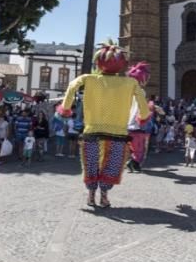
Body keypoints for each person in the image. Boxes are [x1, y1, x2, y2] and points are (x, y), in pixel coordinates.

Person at [58, 40, 149, 208]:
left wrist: (65, 108)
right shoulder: (130, 83)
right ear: (122, 64)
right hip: (118, 134)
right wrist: (143, 117)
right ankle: (104, 195)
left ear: (98, 61)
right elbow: (143, 103)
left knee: (91, 163)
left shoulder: (88, 79)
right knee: (112, 165)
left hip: (92, 130)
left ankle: (91, 195)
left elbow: (72, 86)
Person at [126, 62, 151, 173]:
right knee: (140, 148)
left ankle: (132, 164)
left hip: (127, 124)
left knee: (133, 147)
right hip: (137, 123)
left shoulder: (127, 91)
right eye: (146, 78)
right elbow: (142, 107)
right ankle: (133, 164)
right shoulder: (141, 91)